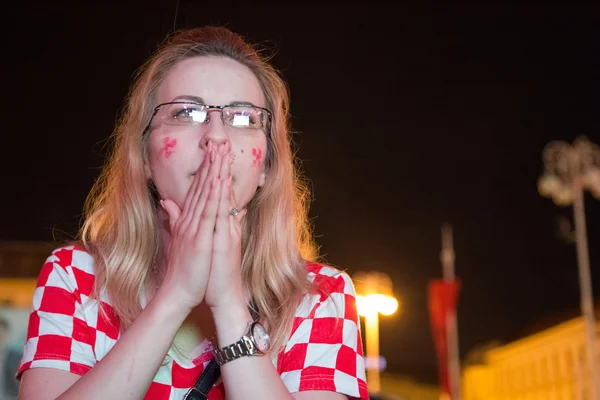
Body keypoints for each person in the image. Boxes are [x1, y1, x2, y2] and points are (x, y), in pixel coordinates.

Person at [16, 26, 369, 400]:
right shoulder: (76, 278)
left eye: (243, 118)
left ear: (267, 165)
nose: (216, 136)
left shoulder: (318, 297)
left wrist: (230, 304)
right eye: (186, 112)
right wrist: (176, 294)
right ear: (144, 157)